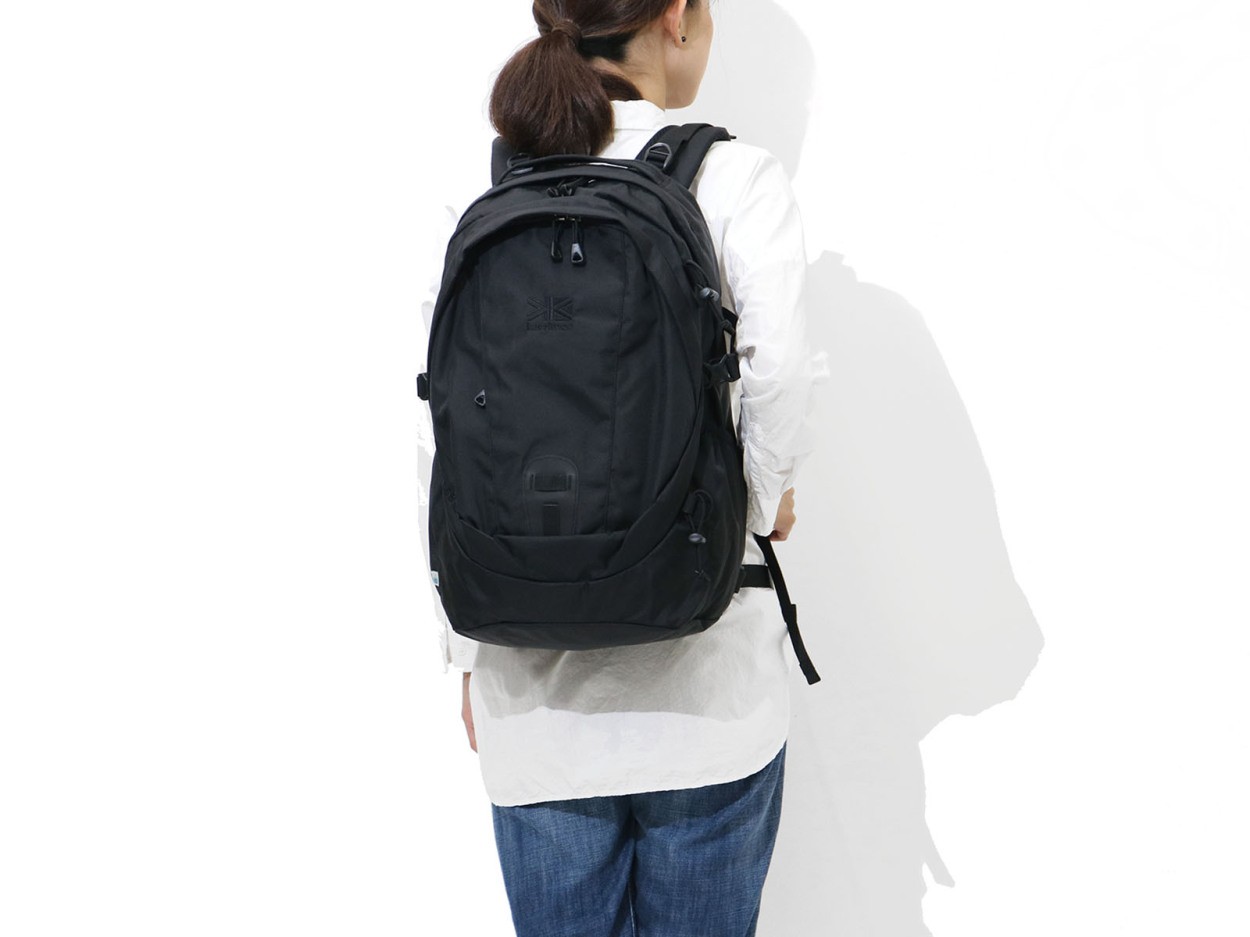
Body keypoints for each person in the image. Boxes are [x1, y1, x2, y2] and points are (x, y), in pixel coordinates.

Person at [416, 1, 818, 933]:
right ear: (676, 16)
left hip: (535, 704)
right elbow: (780, 372)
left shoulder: (478, 198)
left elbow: (438, 437)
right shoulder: (735, 178)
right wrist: (758, 502)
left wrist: (466, 649)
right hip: (707, 697)